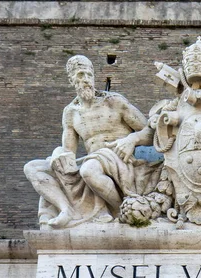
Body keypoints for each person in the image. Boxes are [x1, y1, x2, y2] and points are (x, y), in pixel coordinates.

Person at [24, 55, 157, 228]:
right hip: (93, 160)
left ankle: (119, 210)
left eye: (89, 75)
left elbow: (152, 133)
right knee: (33, 168)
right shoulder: (70, 112)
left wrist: (132, 139)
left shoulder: (114, 102)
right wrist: (58, 154)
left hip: (120, 160)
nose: (86, 80)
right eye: (80, 75)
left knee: (88, 170)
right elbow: (68, 152)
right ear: (72, 80)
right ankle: (66, 210)